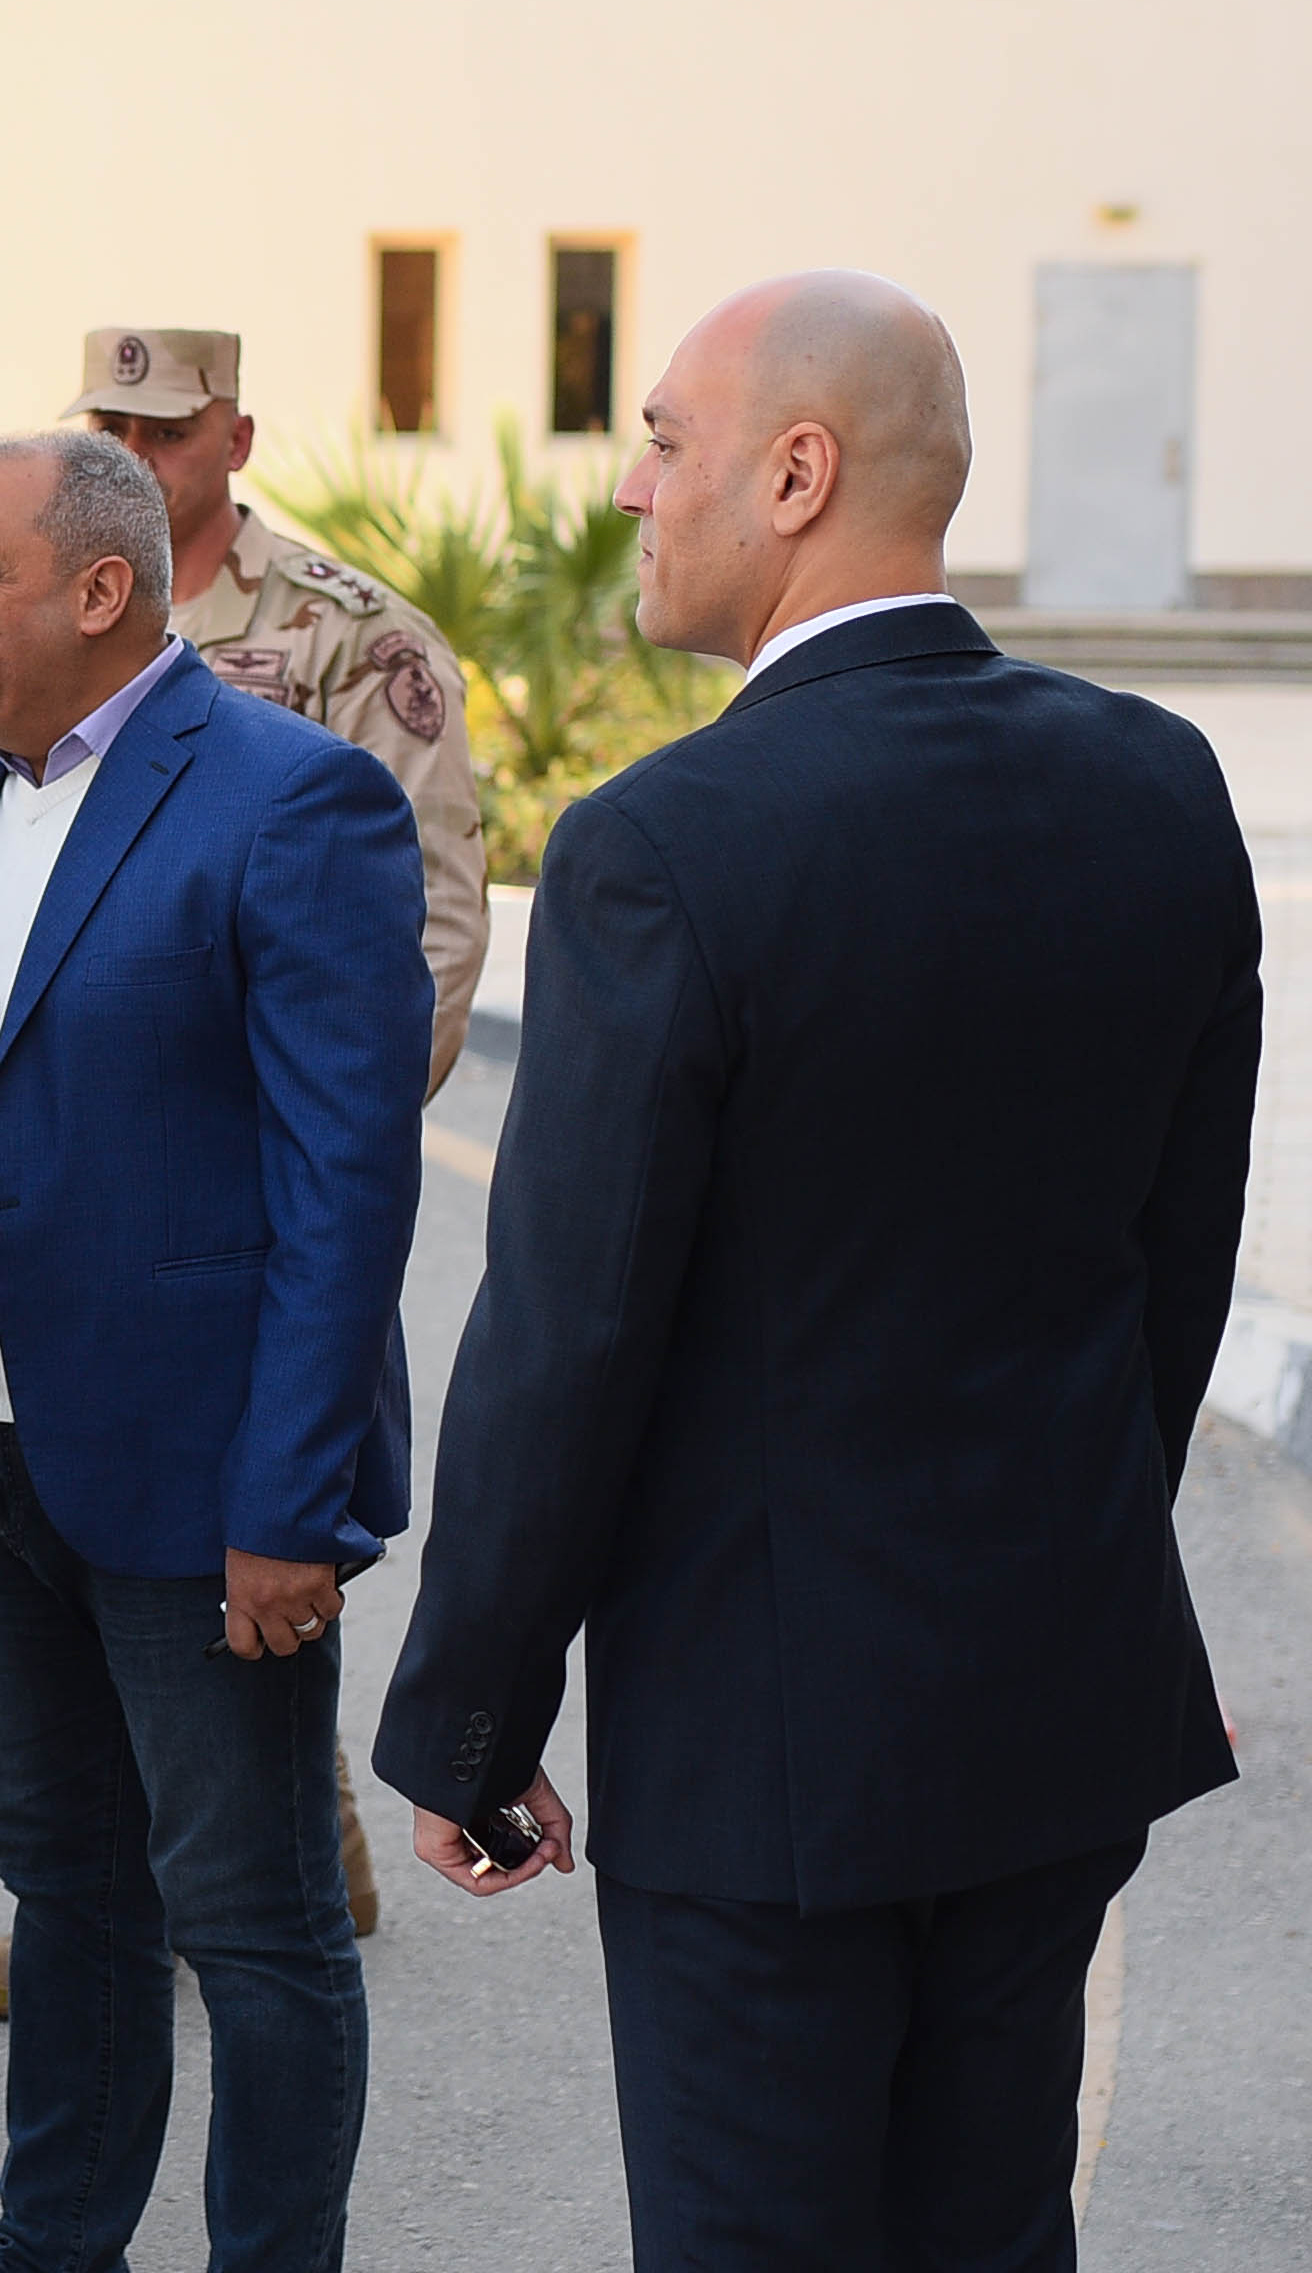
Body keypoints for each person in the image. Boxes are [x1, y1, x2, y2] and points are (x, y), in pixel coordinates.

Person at [373, 272, 1258, 2268]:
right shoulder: (1159, 785)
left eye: (663, 440)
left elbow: (572, 1333)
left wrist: (471, 1716)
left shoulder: (666, 843)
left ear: (795, 473)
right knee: (990, 2232)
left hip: (764, 1758)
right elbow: (1172, 1271)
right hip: (1055, 1709)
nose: (631, 488)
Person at [0, 430, 427, 2273]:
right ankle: (53, 2247)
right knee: (66, 1886)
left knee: (257, 1922)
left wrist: (287, 1505)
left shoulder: (293, 802)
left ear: (101, 591)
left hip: (203, 1488)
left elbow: (347, 1190)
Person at [0, 325, 487, 2015]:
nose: (138, 448)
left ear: (233, 439)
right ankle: (138, 1893)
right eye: (110, 422)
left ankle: (239, 1875)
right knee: (119, 1694)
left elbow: (426, 925)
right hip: (79, 1264)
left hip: (239, 1203)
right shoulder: (32, 650)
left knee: (234, 1621)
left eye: (166, 428)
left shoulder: (352, 634)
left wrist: (311, 1131)